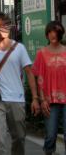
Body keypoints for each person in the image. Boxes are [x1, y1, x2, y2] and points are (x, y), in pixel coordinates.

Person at [0, 13, 40, 154]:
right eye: (1, 26)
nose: (5, 28)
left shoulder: (19, 48)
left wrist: (35, 98)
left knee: (19, 138)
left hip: (17, 99)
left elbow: (29, 73)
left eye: (7, 25)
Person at [32, 21, 66, 155]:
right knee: (51, 135)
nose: (53, 34)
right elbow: (40, 78)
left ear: (60, 34)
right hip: (49, 100)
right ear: (47, 34)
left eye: (56, 32)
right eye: (51, 31)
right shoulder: (42, 53)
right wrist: (42, 99)